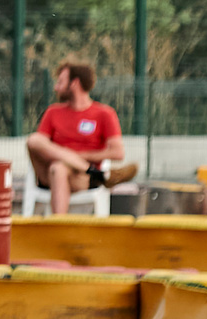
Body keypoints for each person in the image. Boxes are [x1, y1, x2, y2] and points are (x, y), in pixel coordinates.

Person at [27, 60, 136, 213]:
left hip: (81, 178)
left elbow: (118, 153)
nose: (56, 87)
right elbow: (39, 145)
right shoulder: (52, 112)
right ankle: (99, 175)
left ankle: (58, 224)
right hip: (47, 174)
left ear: (75, 83)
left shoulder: (104, 114)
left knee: (59, 168)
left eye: (60, 82)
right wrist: (64, 156)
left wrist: (76, 157)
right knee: (34, 140)